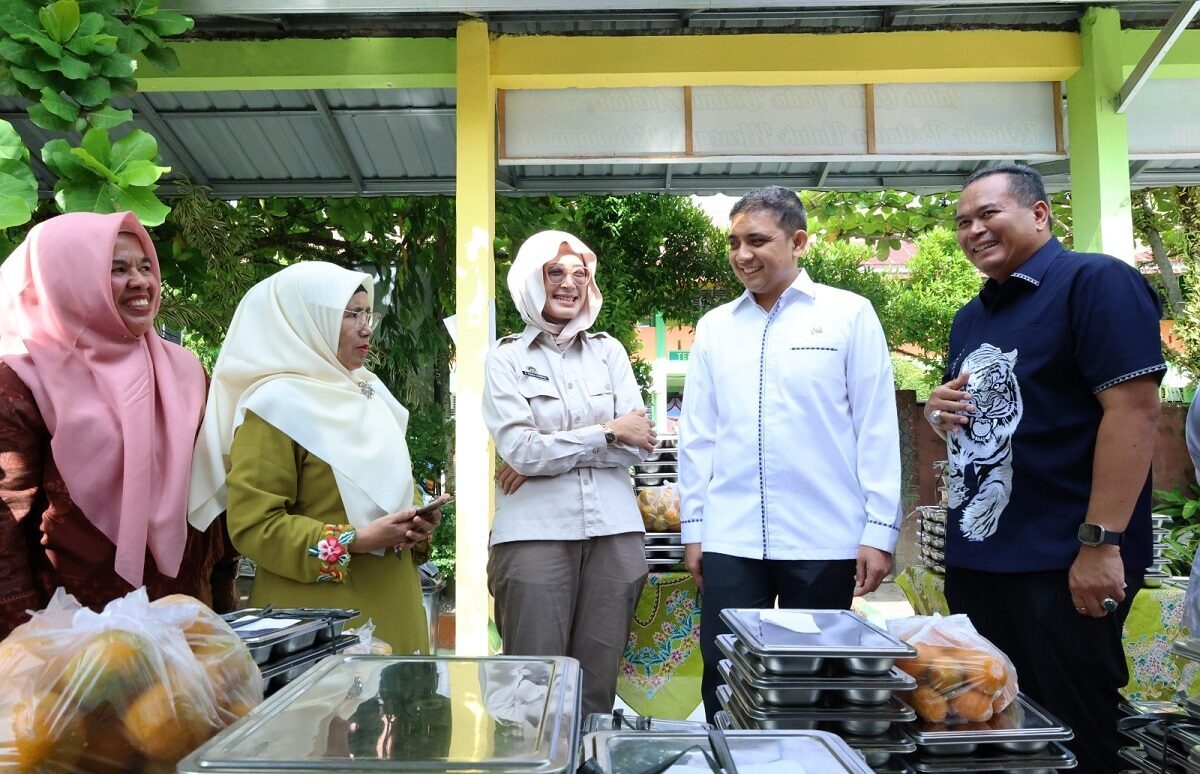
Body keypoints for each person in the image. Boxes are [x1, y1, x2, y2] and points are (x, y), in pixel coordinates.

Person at [926, 163, 1164, 774]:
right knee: (992, 729)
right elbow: (997, 419)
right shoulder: (973, 315)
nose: (973, 230)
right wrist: (939, 411)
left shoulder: (1095, 281)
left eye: (988, 214)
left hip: (1063, 561)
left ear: (1039, 214)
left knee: (1074, 735)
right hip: (982, 560)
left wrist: (1101, 543)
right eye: (963, 222)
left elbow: (1134, 413)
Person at [678, 186, 902, 722]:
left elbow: (875, 426)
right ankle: (731, 762)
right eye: (734, 242)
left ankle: (812, 764)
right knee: (726, 672)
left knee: (817, 679)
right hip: (731, 535)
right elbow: (698, 435)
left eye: (757, 241)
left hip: (825, 534)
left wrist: (879, 530)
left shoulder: (849, 314)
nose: (742, 254)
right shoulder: (715, 327)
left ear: (798, 242)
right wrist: (695, 528)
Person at [0, 212, 236, 638]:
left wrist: (222, 602)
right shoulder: (20, 381)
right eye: (117, 269)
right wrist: (25, 638)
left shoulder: (184, 373)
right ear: (66, 280)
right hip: (71, 635)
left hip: (183, 621)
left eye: (146, 266)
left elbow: (213, 501)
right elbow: (6, 521)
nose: (141, 282)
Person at [188, 261, 443, 653]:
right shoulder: (275, 407)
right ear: (306, 319)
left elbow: (387, 493)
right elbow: (254, 527)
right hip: (321, 624)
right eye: (350, 314)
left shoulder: (371, 394)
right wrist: (354, 540)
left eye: (368, 314)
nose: (366, 327)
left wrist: (416, 525)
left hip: (398, 605)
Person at [482, 230, 656, 718]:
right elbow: (521, 448)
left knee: (596, 690)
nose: (570, 283)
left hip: (615, 534)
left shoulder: (609, 352)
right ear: (530, 280)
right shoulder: (506, 358)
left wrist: (547, 452)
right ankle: (532, 770)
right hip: (532, 535)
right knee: (531, 691)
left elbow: (640, 445)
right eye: (555, 272)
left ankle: (591, 765)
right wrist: (607, 432)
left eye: (580, 273)